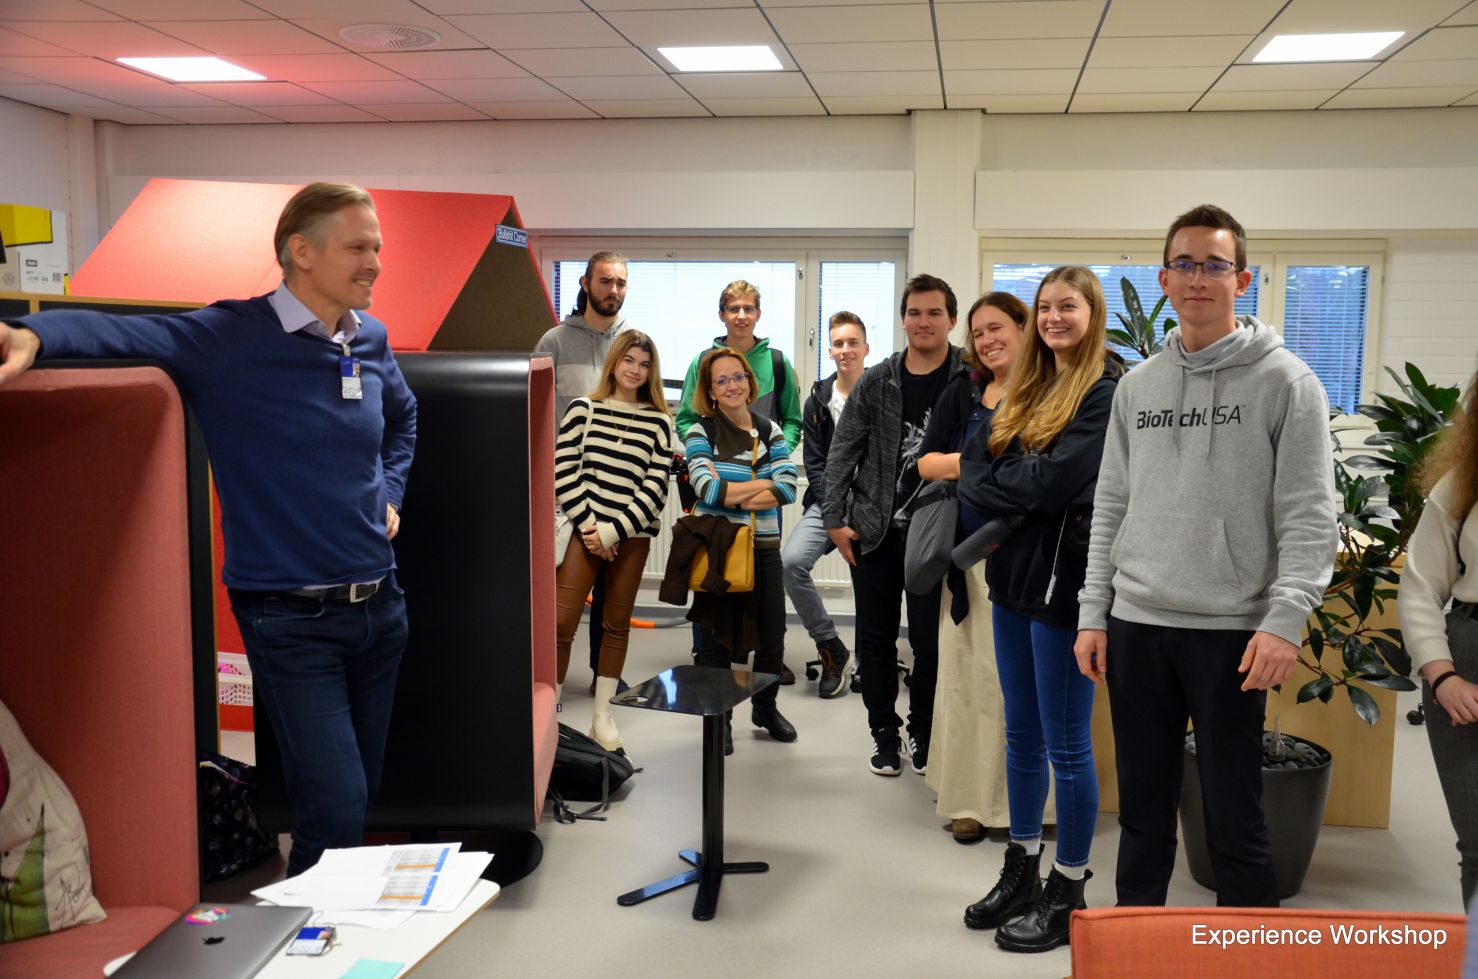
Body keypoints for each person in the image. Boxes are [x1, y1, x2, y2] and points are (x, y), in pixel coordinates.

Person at [0, 182, 417, 877]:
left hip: (381, 607)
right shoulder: (231, 336)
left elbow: (403, 418)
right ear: (301, 251)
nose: (375, 261)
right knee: (339, 806)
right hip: (290, 617)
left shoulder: (367, 338)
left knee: (353, 797)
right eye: (358, 247)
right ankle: (312, 925)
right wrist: (33, 334)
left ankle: (314, 914)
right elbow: (128, 334)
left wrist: (391, 491)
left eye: (377, 246)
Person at [1074, 204, 1337, 913]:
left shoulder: (1287, 383)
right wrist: (1094, 612)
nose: (1198, 278)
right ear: (1163, 278)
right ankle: (1135, 950)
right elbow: (1111, 504)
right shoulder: (1137, 386)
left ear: (1242, 280)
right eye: (1184, 264)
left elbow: (1311, 513)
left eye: (1214, 265)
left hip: (1232, 631)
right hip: (1137, 623)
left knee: (1234, 821)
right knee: (1142, 815)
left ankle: (1246, 953)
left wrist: (1286, 622)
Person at [955, 267, 1120, 951]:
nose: (1053, 317)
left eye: (1067, 306)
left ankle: (1069, 885)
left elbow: (1055, 483)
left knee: (1068, 746)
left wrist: (1006, 479)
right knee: (1020, 736)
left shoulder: (1105, 389)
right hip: (1012, 583)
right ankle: (1022, 867)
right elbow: (972, 468)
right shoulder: (1028, 384)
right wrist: (1010, 481)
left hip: (1064, 592)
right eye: (1045, 306)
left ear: (1091, 312)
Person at [824, 273, 961, 777]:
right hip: (876, 532)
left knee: (930, 644)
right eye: (914, 313)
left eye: (934, 312)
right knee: (877, 641)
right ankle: (885, 733)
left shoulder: (969, 375)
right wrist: (834, 520)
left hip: (938, 533)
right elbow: (842, 452)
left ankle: (924, 732)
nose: (924, 322)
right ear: (903, 319)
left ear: (951, 318)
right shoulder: (877, 380)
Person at [916, 292, 1027, 844]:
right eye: (979, 333)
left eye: (997, 328)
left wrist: (969, 467)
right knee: (966, 681)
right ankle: (967, 801)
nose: (986, 340)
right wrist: (984, 462)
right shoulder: (963, 392)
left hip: (1028, 561)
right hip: (966, 558)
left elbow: (1046, 471)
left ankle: (1016, 806)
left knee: (1013, 685)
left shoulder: (1048, 392)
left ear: (1024, 329)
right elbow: (925, 462)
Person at [554, 331, 675, 755]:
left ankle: (602, 715)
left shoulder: (659, 421)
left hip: (631, 537)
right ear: (614, 362)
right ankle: (548, 709)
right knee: (561, 623)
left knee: (615, 624)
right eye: (629, 360)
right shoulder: (583, 409)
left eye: (644, 364)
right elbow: (564, 472)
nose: (635, 370)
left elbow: (655, 489)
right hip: (583, 533)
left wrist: (614, 532)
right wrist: (593, 529)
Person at [676, 280, 804, 683]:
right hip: (716, 525)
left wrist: (761, 463)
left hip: (762, 520)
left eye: (749, 308)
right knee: (714, 615)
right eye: (734, 308)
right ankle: (713, 679)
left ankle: (763, 690)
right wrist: (757, 480)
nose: (742, 315)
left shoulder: (777, 365)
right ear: (722, 315)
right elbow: (707, 483)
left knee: (767, 611)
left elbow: (788, 466)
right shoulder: (702, 364)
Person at [685, 346, 799, 753]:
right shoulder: (700, 432)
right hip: (717, 548)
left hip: (763, 547)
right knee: (715, 639)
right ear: (710, 391)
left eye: (738, 376)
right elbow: (706, 488)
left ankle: (764, 709)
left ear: (750, 382)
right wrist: (760, 485)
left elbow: (788, 487)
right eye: (722, 380)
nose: (732, 385)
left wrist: (733, 492)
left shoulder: (771, 430)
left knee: (772, 636)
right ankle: (721, 719)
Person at [1400, 355, 1478, 910]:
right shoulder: (1461, 486)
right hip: (1465, 662)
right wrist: (1443, 676)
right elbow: (1420, 588)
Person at [536, 251, 630, 692]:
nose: (614, 290)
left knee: (612, 592)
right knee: (564, 595)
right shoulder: (553, 342)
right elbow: (538, 415)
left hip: (619, 487)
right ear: (585, 283)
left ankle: (602, 676)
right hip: (568, 487)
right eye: (606, 281)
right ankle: (547, 685)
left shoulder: (633, 343)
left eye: (621, 283)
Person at [782, 311, 869, 698]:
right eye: (838, 344)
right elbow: (815, 465)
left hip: (872, 505)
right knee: (791, 562)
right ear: (830, 351)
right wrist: (834, 513)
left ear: (866, 348)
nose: (845, 350)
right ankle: (831, 645)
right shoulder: (817, 399)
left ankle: (868, 658)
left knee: (869, 578)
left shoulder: (882, 393)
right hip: (827, 502)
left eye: (853, 342)